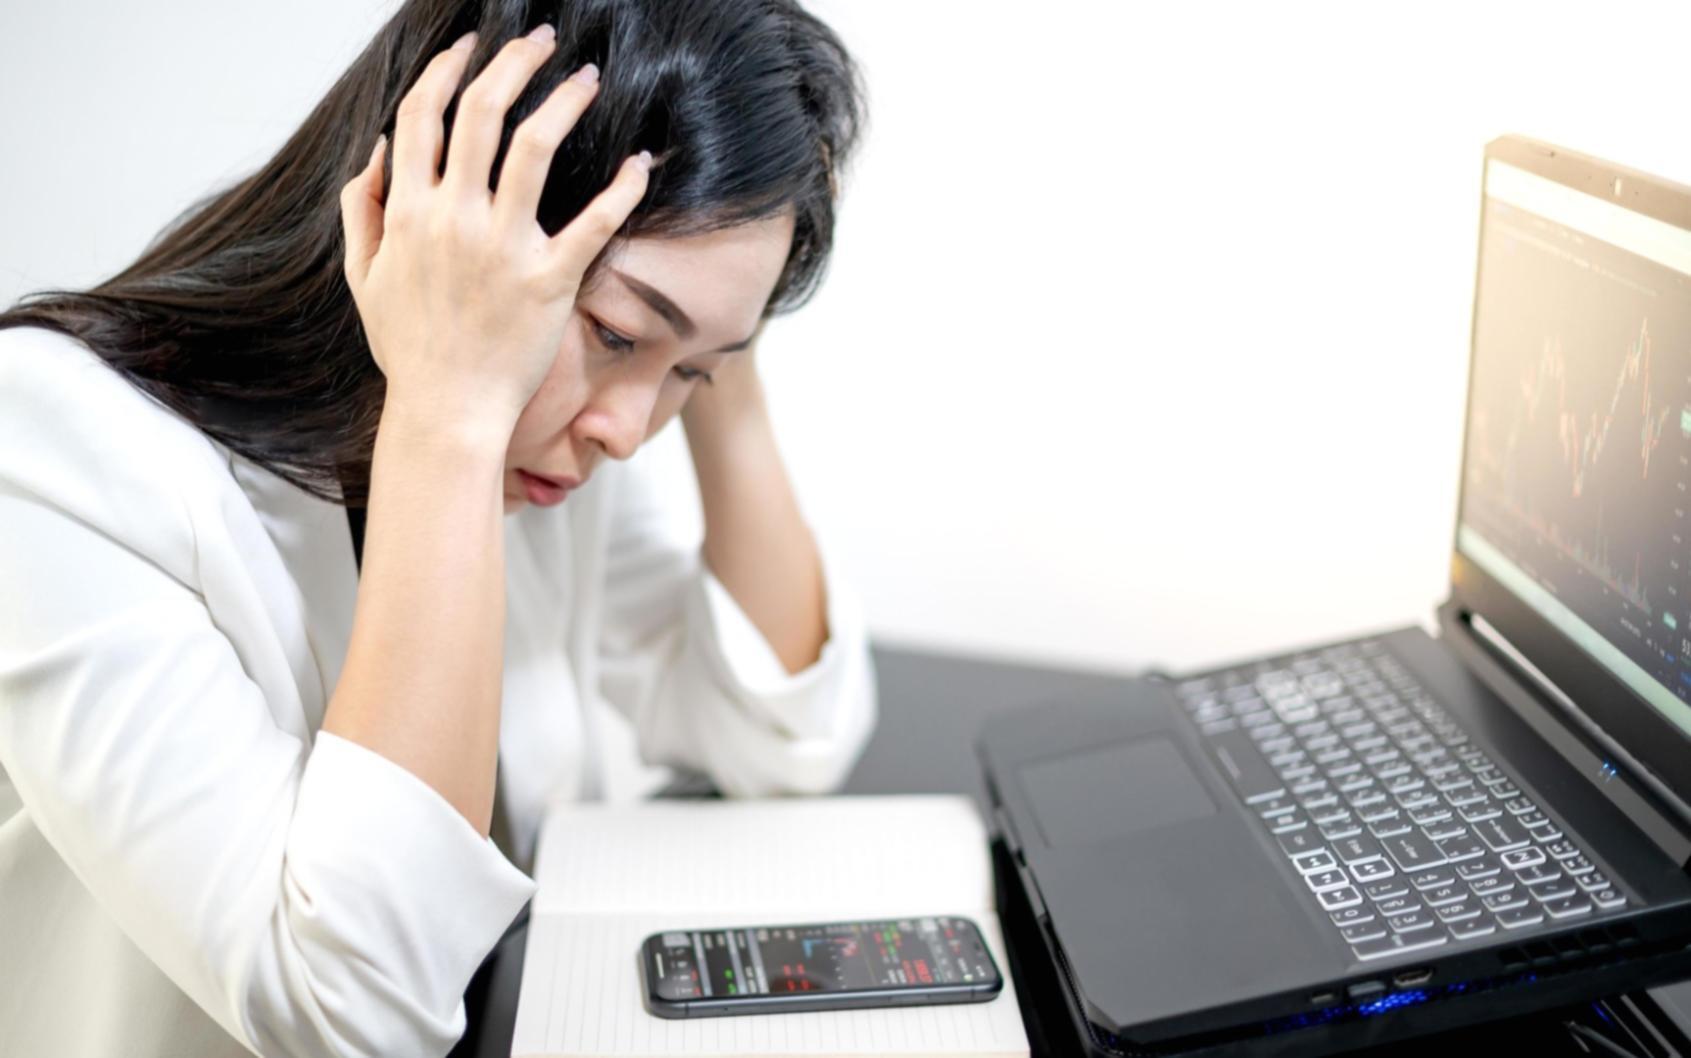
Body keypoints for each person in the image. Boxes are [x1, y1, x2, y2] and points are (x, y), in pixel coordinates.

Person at [0, 1, 877, 1055]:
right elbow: (355, 1005)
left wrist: (716, 347)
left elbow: (783, 735)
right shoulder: (56, 447)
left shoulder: (561, 451)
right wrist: (450, 408)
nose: (629, 431)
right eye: (614, 332)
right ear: (439, 216)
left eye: (681, 376)